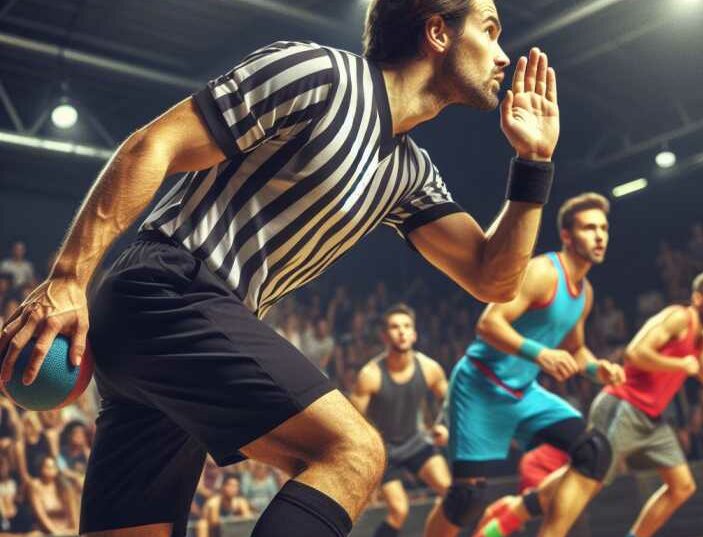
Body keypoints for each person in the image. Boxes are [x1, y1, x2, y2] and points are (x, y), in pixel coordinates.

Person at [0, 1, 561, 536]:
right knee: (352, 452)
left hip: (176, 333)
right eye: (489, 29)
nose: (503, 54)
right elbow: (157, 143)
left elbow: (493, 277)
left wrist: (533, 163)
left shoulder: (410, 172)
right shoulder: (320, 74)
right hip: (168, 288)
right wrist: (70, 276)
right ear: (437, 31)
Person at [426, 193, 625, 537]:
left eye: (604, 228)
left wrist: (598, 371)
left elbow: (576, 351)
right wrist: (541, 355)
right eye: (589, 228)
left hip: (522, 392)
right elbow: (489, 324)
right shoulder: (543, 272)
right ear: (566, 235)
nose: (599, 236)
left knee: (594, 452)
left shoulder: (585, 292)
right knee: (466, 499)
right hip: (479, 387)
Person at [587, 266, 703, 537]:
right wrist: (679, 363)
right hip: (623, 405)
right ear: (697, 298)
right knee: (584, 481)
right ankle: (510, 515)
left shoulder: (701, 339)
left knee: (682, 486)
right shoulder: (679, 316)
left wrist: (686, 363)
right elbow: (634, 353)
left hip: (652, 419)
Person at [351, 304, 450, 537]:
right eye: (395, 327)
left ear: (414, 334)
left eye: (407, 327)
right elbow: (353, 423)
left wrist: (444, 426)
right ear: (385, 336)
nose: (402, 332)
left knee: (451, 494)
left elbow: (450, 402)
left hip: (415, 442)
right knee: (399, 511)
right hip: (386, 454)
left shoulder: (429, 368)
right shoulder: (370, 375)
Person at [27, 456, 79, 535]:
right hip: (45, 532)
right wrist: (56, 532)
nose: (51, 469)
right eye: (47, 467)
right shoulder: (35, 486)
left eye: (53, 466)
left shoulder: (64, 487)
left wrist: (73, 531)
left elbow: (74, 515)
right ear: (41, 469)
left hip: (66, 531)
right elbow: (41, 516)